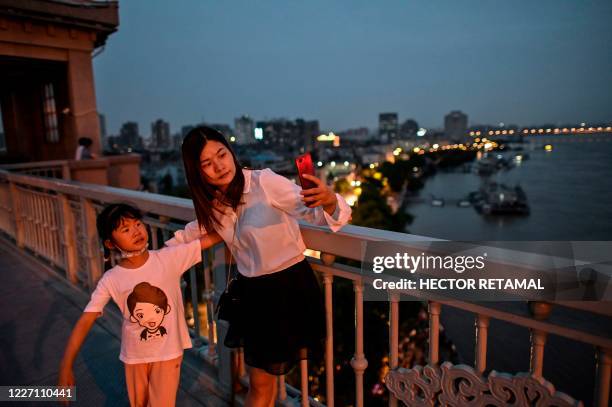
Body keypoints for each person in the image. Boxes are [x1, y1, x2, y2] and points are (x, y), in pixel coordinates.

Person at [165, 126, 351, 407]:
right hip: (255, 296)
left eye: (221, 155)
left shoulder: (264, 182)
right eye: (207, 163)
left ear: (231, 152)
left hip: (288, 288)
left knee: (262, 385)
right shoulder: (216, 205)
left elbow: (313, 213)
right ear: (198, 172)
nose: (218, 166)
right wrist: (152, 257)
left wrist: (329, 201)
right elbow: (192, 233)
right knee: (262, 385)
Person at [58, 203, 223, 407]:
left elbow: (214, 236)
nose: (136, 231)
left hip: (168, 353)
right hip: (134, 356)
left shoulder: (168, 258)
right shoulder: (111, 279)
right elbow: (86, 320)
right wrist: (66, 367)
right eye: (125, 229)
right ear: (110, 244)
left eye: (138, 224)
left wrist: (233, 215)